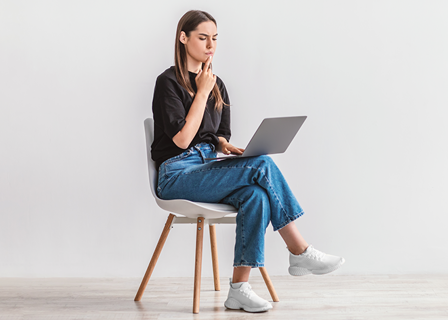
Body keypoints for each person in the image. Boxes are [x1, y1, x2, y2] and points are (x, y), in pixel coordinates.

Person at [151, 10, 345, 313]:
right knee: (263, 165)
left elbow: (217, 135)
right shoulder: (168, 82)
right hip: (175, 175)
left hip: (204, 168)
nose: (210, 45)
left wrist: (226, 146)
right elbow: (182, 141)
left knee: (255, 194)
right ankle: (298, 250)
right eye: (202, 38)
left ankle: (239, 288)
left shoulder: (218, 85)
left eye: (215, 39)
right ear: (183, 37)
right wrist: (201, 92)